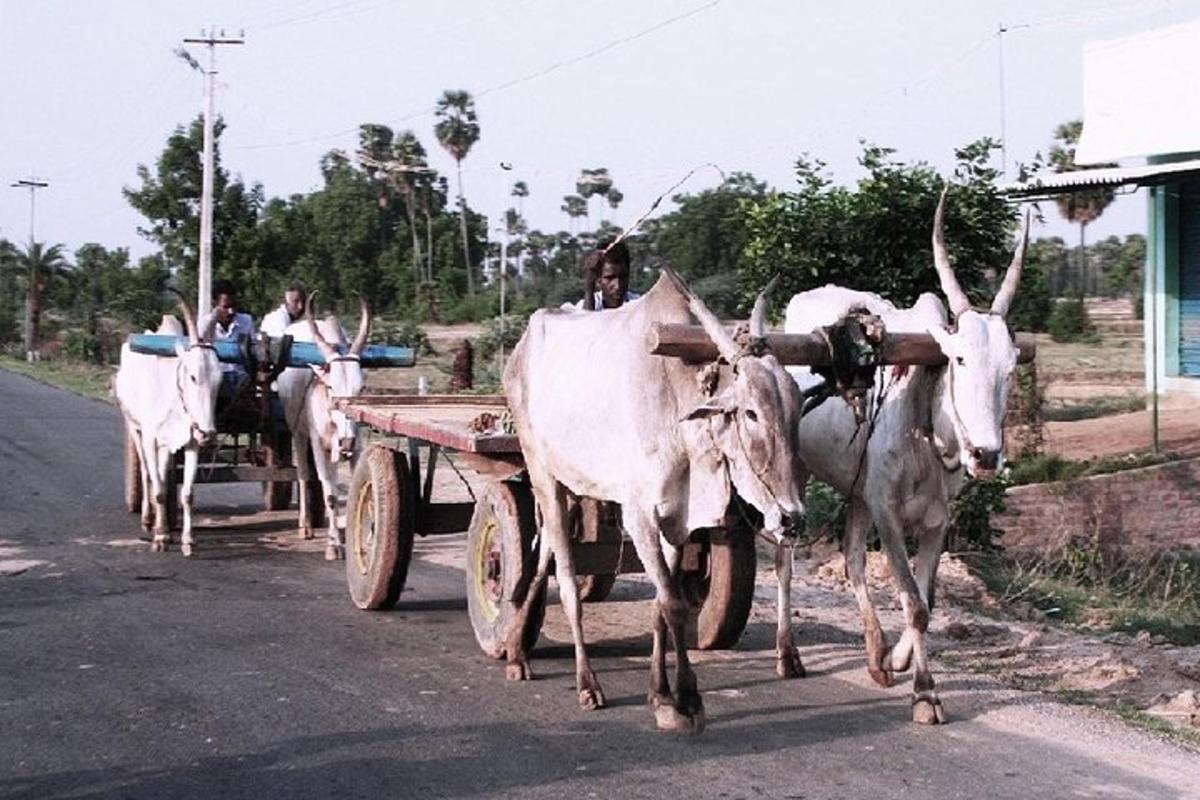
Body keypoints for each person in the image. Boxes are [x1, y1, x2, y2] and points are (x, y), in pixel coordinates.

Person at [199, 280, 257, 403]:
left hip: (241, 377)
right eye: (226, 307)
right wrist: (213, 321)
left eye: (233, 306)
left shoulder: (246, 321)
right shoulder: (205, 323)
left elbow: (254, 349)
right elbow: (202, 348)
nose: (231, 311)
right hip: (215, 379)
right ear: (215, 305)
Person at [578, 239, 639, 310]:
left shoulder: (637, 304)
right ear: (598, 280)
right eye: (610, 278)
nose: (618, 286)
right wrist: (589, 288)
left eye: (623, 277)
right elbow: (586, 319)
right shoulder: (584, 305)